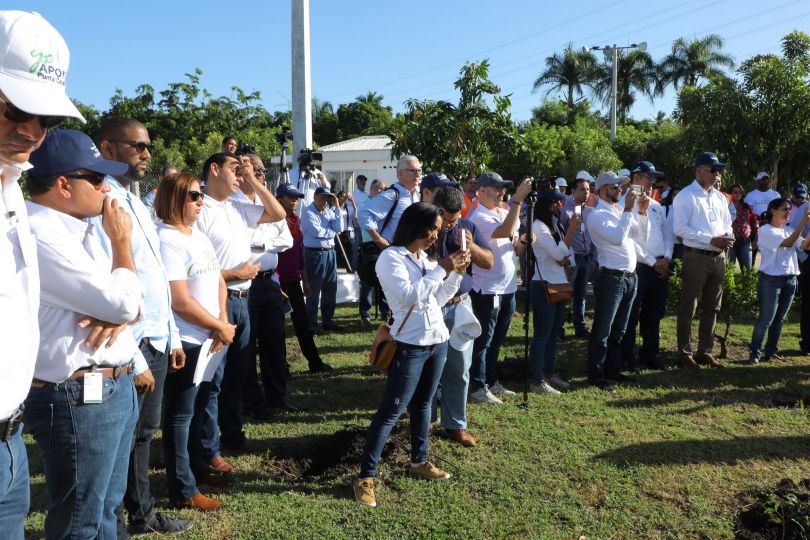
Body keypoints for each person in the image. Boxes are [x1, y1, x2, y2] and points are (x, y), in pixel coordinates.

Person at [24, 130, 142, 539]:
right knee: (81, 523)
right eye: (95, 178)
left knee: (106, 511)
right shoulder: (41, 233)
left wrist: (121, 309)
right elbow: (123, 301)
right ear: (62, 185)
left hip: (109, 386)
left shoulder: (80, 227)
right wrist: (122, 248)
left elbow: (131, 304)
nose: (105, 187)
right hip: (79, 395)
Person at [0, 11, 85, 538]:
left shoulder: (11, 185)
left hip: (11, 443)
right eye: (16, 109)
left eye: (46, 118)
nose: (32, 130)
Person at [91, 117, 192, 536]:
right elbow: (111, 285)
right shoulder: (103, 202)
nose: (146, 154)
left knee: (143, 434)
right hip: (129, 344)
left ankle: (140, 512)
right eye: (137, 146)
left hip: (155, 336)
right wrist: (133, 358)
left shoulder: (135, 200)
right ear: (108, 148)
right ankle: (123, 518)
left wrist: (168, 333)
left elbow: (152, 276)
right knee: (126, 438)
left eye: (148, 146)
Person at [353, 202, 470, 508]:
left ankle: (419, 461)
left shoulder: (425, 259)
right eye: (432, 227)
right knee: (392, 408)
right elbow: (409, 295)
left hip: (436, 341)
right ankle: (366, 476)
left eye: (437, 227)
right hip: (410, 344)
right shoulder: (391, 258)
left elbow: (438, 297)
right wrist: (443, 268)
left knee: (424, 405)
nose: (436, 233)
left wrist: (456, 274)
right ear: (416, 226)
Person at [194, 152, 285, 465]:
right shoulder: (199, 208)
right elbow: (193, 269)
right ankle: (208, 448)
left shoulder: (235, 206)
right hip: (217, 300)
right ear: (214, 169)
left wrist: (253, 181)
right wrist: (236, 274)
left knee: (237, 375)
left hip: (243, 300)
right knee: (212, 379)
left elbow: (277, 213)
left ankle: (231, 435)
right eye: (235, 168)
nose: (241, 174)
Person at [156, 172, 234, 511]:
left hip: (212, 339)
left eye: (200, 194)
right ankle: (183, 489)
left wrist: (222, 323)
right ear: (174, 199)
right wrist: (217, 325)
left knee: (200, 409)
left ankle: (197, 470)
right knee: (179, 417)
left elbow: (217, 279)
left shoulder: (197, 234)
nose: (200, 201)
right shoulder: (167, 238)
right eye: (193, 196)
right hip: (186, 341)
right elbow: (180, 301)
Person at [234, 155, 297, 414]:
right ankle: (252, 402)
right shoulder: (231, 203)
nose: (260, 174)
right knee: (247, 347)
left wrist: (261, 244)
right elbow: (237, 242)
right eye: (254, 170)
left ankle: (277, 396)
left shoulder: (267, 202)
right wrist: (263, 241)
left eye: (261, 170)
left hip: (269, 280)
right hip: (243, 282)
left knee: (275, 342)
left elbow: (287, 240)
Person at [430, 186, 493, 446]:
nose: (450, 225)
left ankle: (455, 424)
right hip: (431, 306)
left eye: (454, 219)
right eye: (446, 219)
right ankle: (425, 419)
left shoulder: (466, 227)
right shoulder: (423, 228)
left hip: (460, 306)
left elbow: (488, 261)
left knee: (459, 368)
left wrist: (472, 247)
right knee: (427, 368)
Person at [467, 173, 532, 404]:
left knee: (497, 340)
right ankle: (477, 386)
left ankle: (491, 381)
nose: (501, 193)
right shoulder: (477, 218)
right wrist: (517, 201)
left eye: (503, 189)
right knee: (483, 340)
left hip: (507, 288)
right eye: (496, 189)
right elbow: (503, 231)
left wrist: (523, 241)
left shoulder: (504, 212)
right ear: (481, 191)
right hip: (487, 290)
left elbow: (512, 247)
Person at [586, 171, 649, 391]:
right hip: (611, 278)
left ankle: (612, 369)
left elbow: (641, 236)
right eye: (615, 187)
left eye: (620, 187)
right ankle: (596, 374)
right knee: (603, 329)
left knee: (619, 329)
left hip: (629, 278)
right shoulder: (597, 215)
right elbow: (616, 237)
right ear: (602, 189)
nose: (620, 190)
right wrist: (630, 210)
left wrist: (640, 213)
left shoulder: (619, 211)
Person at [673, 152, 734, 369]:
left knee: (713, 306)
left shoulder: (719, 197)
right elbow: (679, 229)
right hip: (697, 256)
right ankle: (684, 352)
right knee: (689, 305)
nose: (716, 174)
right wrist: (710, 239)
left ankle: (705, 351)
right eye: (713, 169)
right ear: (698, 170)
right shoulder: (685, 196)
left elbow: (727, 223)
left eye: (718, 170)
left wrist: (727, 236)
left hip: (718, 257)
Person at [619, 161, 674, 372]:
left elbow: (668, 234)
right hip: (641, 266)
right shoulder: (626, 203)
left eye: (653, 178)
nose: (653, 182)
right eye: (648, 177)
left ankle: (650, 355)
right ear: (636, 178)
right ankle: (627, 358)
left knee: (654, 313)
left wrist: (666, 258)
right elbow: (631, 240)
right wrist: (653, 262)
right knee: (631, 315)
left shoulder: (656, 205)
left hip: (660, 264)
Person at [276, 182, 333, 371]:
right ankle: (282, 366)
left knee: (302, 324)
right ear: (279, 198)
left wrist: (305, 279)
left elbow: (299, 253)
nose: (294, 202)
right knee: (279, 328)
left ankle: (315, 362)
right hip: (278, 282)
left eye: (296, 198)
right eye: (290, 198)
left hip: (293, 280)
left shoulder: (294, 220)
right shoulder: (273, 221)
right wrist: (275, 283)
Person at [530, 189, 580, 393]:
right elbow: (559, 254)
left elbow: (567, 256)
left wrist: (564, 255)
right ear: (548, 205)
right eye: (557, 203)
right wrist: (572, 231)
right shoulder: (538, 227)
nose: (561, 206)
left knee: (553, 334)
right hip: (544, 286)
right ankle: (537, 379)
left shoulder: (554, 225)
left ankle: (549, 372)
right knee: (542, 335)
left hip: (559, 284)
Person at [749, 199, 810, 364]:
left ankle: (771, 351)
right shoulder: (765, 230)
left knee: (779, 319)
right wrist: (804, 222)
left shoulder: (788, 229)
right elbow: (788, 243)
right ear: (773, 211)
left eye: (789, 209)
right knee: (766, 319)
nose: (788, 212)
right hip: (770, 281)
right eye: (784, 209)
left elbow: (803, 246)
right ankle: (755, 353)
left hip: (790, 280)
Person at [302, 186, 344, 333]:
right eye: (322, 198)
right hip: (314, 254)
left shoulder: (329, 211)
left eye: (327, 198)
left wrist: (338, 208)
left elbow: (340, 227)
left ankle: (328, 321)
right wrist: (332, 231)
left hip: (330, 253)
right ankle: (311, 325)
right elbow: (317, 232)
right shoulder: (308, 211)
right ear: (314, 197)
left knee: (330, 289)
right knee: (313, 291)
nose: (325, 201)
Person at [559, 176, 595, 338]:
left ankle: (580, 327)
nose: (586, 192)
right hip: (572, 260)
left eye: (588, 189)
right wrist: (565, 260)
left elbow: (593, 235)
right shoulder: (565, 211)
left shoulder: (590, 211)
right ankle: (558, 328)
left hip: (586, 259)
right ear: (573, 191)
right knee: (565, 294)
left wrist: (594, 258)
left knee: (581, 295)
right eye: (582, 189)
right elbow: (560, 236)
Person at [357, 179, 389, 327]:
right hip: (370, 246)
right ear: (373, 189)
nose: (383, 192)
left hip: (383, 246)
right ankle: (365, 315)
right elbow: (371, 227)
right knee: (367, 283)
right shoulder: (365, 206)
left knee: (386, 280)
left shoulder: (384, 206)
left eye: (385, 189)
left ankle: (386, 311)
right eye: (381, 189)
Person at [745, 171, 780, 265]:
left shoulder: (775, 195)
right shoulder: (750, 195)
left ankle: (769, 270)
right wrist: (757, 218)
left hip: (771, 226)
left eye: (766, 179)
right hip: (755, 226)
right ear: (757, 182)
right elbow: (746, 211)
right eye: (762, 180)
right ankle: (751, 271)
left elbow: (779, 210)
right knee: (754, 249)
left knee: (769, 250)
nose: (765, 181)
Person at [728, 184, 759, 271]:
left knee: (747, 269)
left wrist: (756, 239)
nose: (738, 194)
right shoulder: (725, 206)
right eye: (735, 192)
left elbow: (755, 222)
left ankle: (747, 285)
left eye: (740, 192)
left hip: (745, 241)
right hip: (730, 241)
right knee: (730, 270)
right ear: (730, 193)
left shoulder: (747, 207)